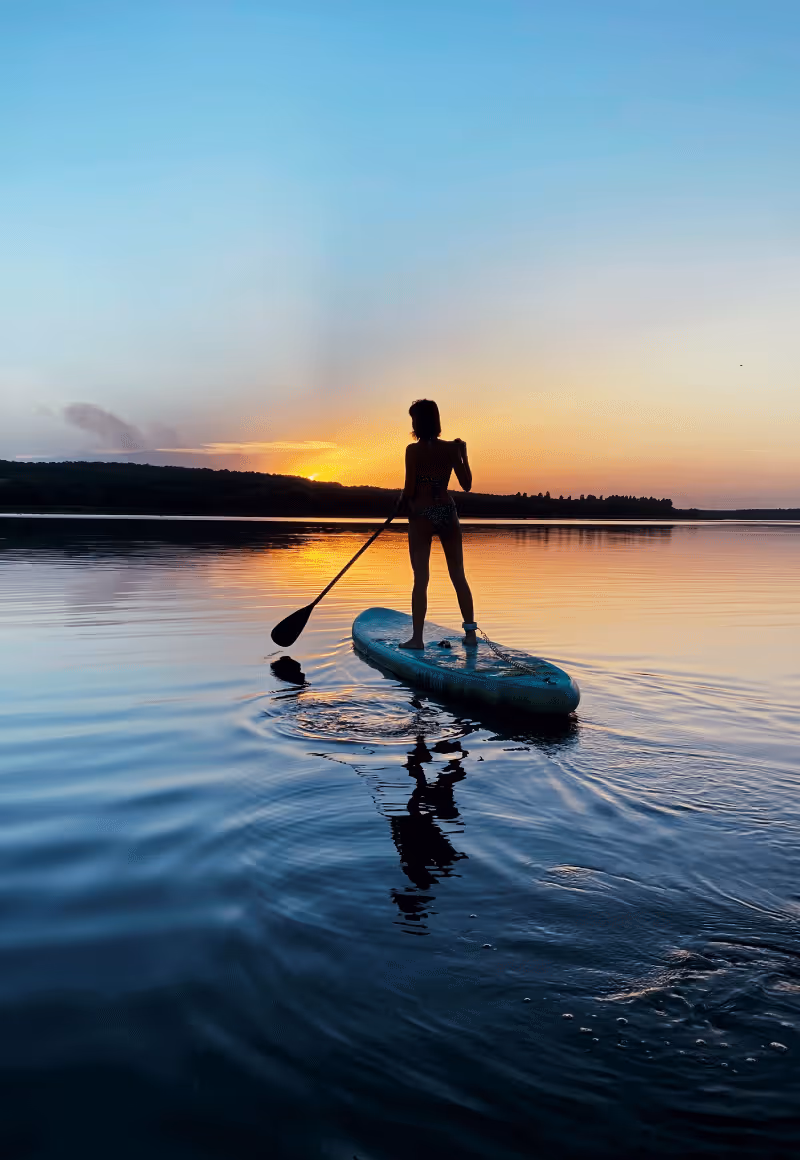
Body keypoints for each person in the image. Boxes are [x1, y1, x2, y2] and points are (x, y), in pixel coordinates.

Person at [397, 399, 477, 649]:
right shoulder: (451, 449)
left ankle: (417, 639)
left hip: (421, 514)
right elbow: (466, 484)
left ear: (418, 422)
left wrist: (401, 504)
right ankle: (471, 635)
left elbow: (410, 489)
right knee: (458, 576)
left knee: (421, 579)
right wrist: (463, 456)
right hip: (447, 512)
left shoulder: (413, 450)